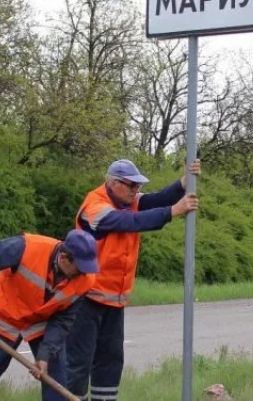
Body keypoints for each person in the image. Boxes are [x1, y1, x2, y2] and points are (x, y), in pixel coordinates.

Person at [65, 158, 200, 401]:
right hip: (85, 298)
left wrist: (184, 182)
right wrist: (173, 212)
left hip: (114, 301)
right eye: (132, 186)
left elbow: (156, 199)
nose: (136, 191)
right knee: (78, 362)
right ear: (114, 184)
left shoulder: (129, 201)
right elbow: (130, 223)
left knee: (110, 361)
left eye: (138, 186)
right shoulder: (95, 207)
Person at [0, 229, 99, 401]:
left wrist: (44, 355)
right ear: (63, 258)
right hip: (6, 316)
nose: (84, 273)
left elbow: (63, 320)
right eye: (80, 268)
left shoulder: (85, 280)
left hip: (42, 321)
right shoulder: (27, 248)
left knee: (56, 376)